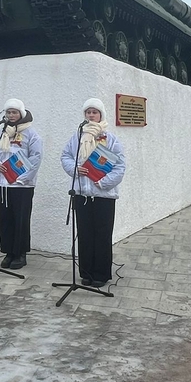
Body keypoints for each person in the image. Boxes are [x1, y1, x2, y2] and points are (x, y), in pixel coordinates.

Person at [60, 98, 126, 288]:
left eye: (94, 112)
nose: (90, 115)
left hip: (103, 195)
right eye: (88, 112)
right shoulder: (78, 137)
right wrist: (75, 167)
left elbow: (120, 166)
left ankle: (101, 274)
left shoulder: (110, 139)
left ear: (101, 115)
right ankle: (86, 272)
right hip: (82, 194)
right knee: (85, 234)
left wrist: (103, 182)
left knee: (102, 234)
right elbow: (66, 156)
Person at [0, 98, 43, 270]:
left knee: (20, 218)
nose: (11, 115)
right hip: (2, 183)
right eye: (9, 112)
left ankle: (20, 253)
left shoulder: (31, 134)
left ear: (22, 114)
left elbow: (36, 157)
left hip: (21, 185)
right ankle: (8, 252)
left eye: (15, 112)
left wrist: (22, 177)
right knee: (5, 218)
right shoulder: (0, 131)